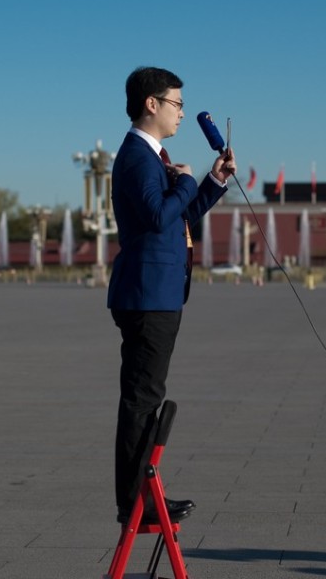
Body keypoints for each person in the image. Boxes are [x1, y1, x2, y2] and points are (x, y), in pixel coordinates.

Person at [107, 66, 236, 524]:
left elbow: (178, 218)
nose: (182, 112)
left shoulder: (156, 158)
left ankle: (144, 497)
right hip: (146, 296)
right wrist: (183, 180)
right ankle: (134, 505)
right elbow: (161, 214)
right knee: (142, 400)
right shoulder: (139, 158)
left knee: (147, 397)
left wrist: (211, 182)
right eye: (177, 104)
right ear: (152, 104)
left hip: (159, 293)